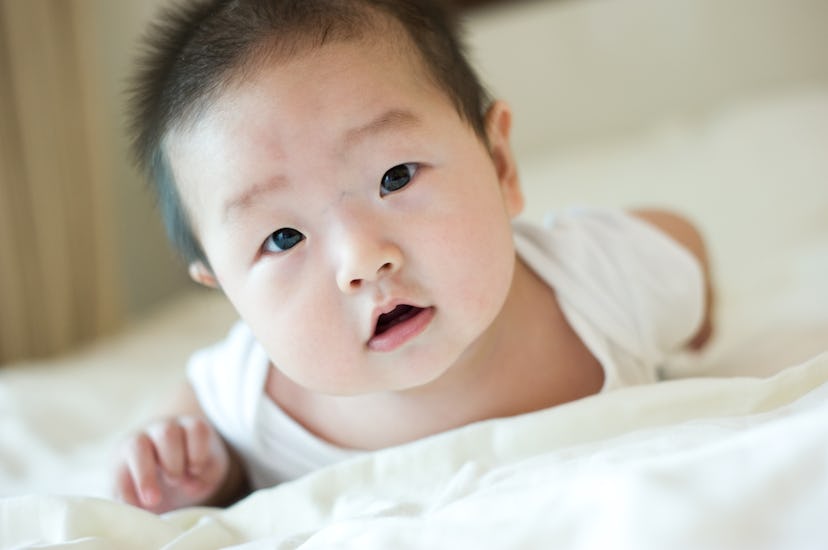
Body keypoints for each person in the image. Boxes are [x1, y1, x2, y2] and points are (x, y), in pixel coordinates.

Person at [114, 0, 714, 514]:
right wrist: (200, 470)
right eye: (283, 239)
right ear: (228, 292)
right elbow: (188, 409)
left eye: (396, 177)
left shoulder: (601, 281)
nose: (362, 259)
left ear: (500, 164)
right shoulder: (257, 401)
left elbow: (678, 240)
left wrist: (700, 311)